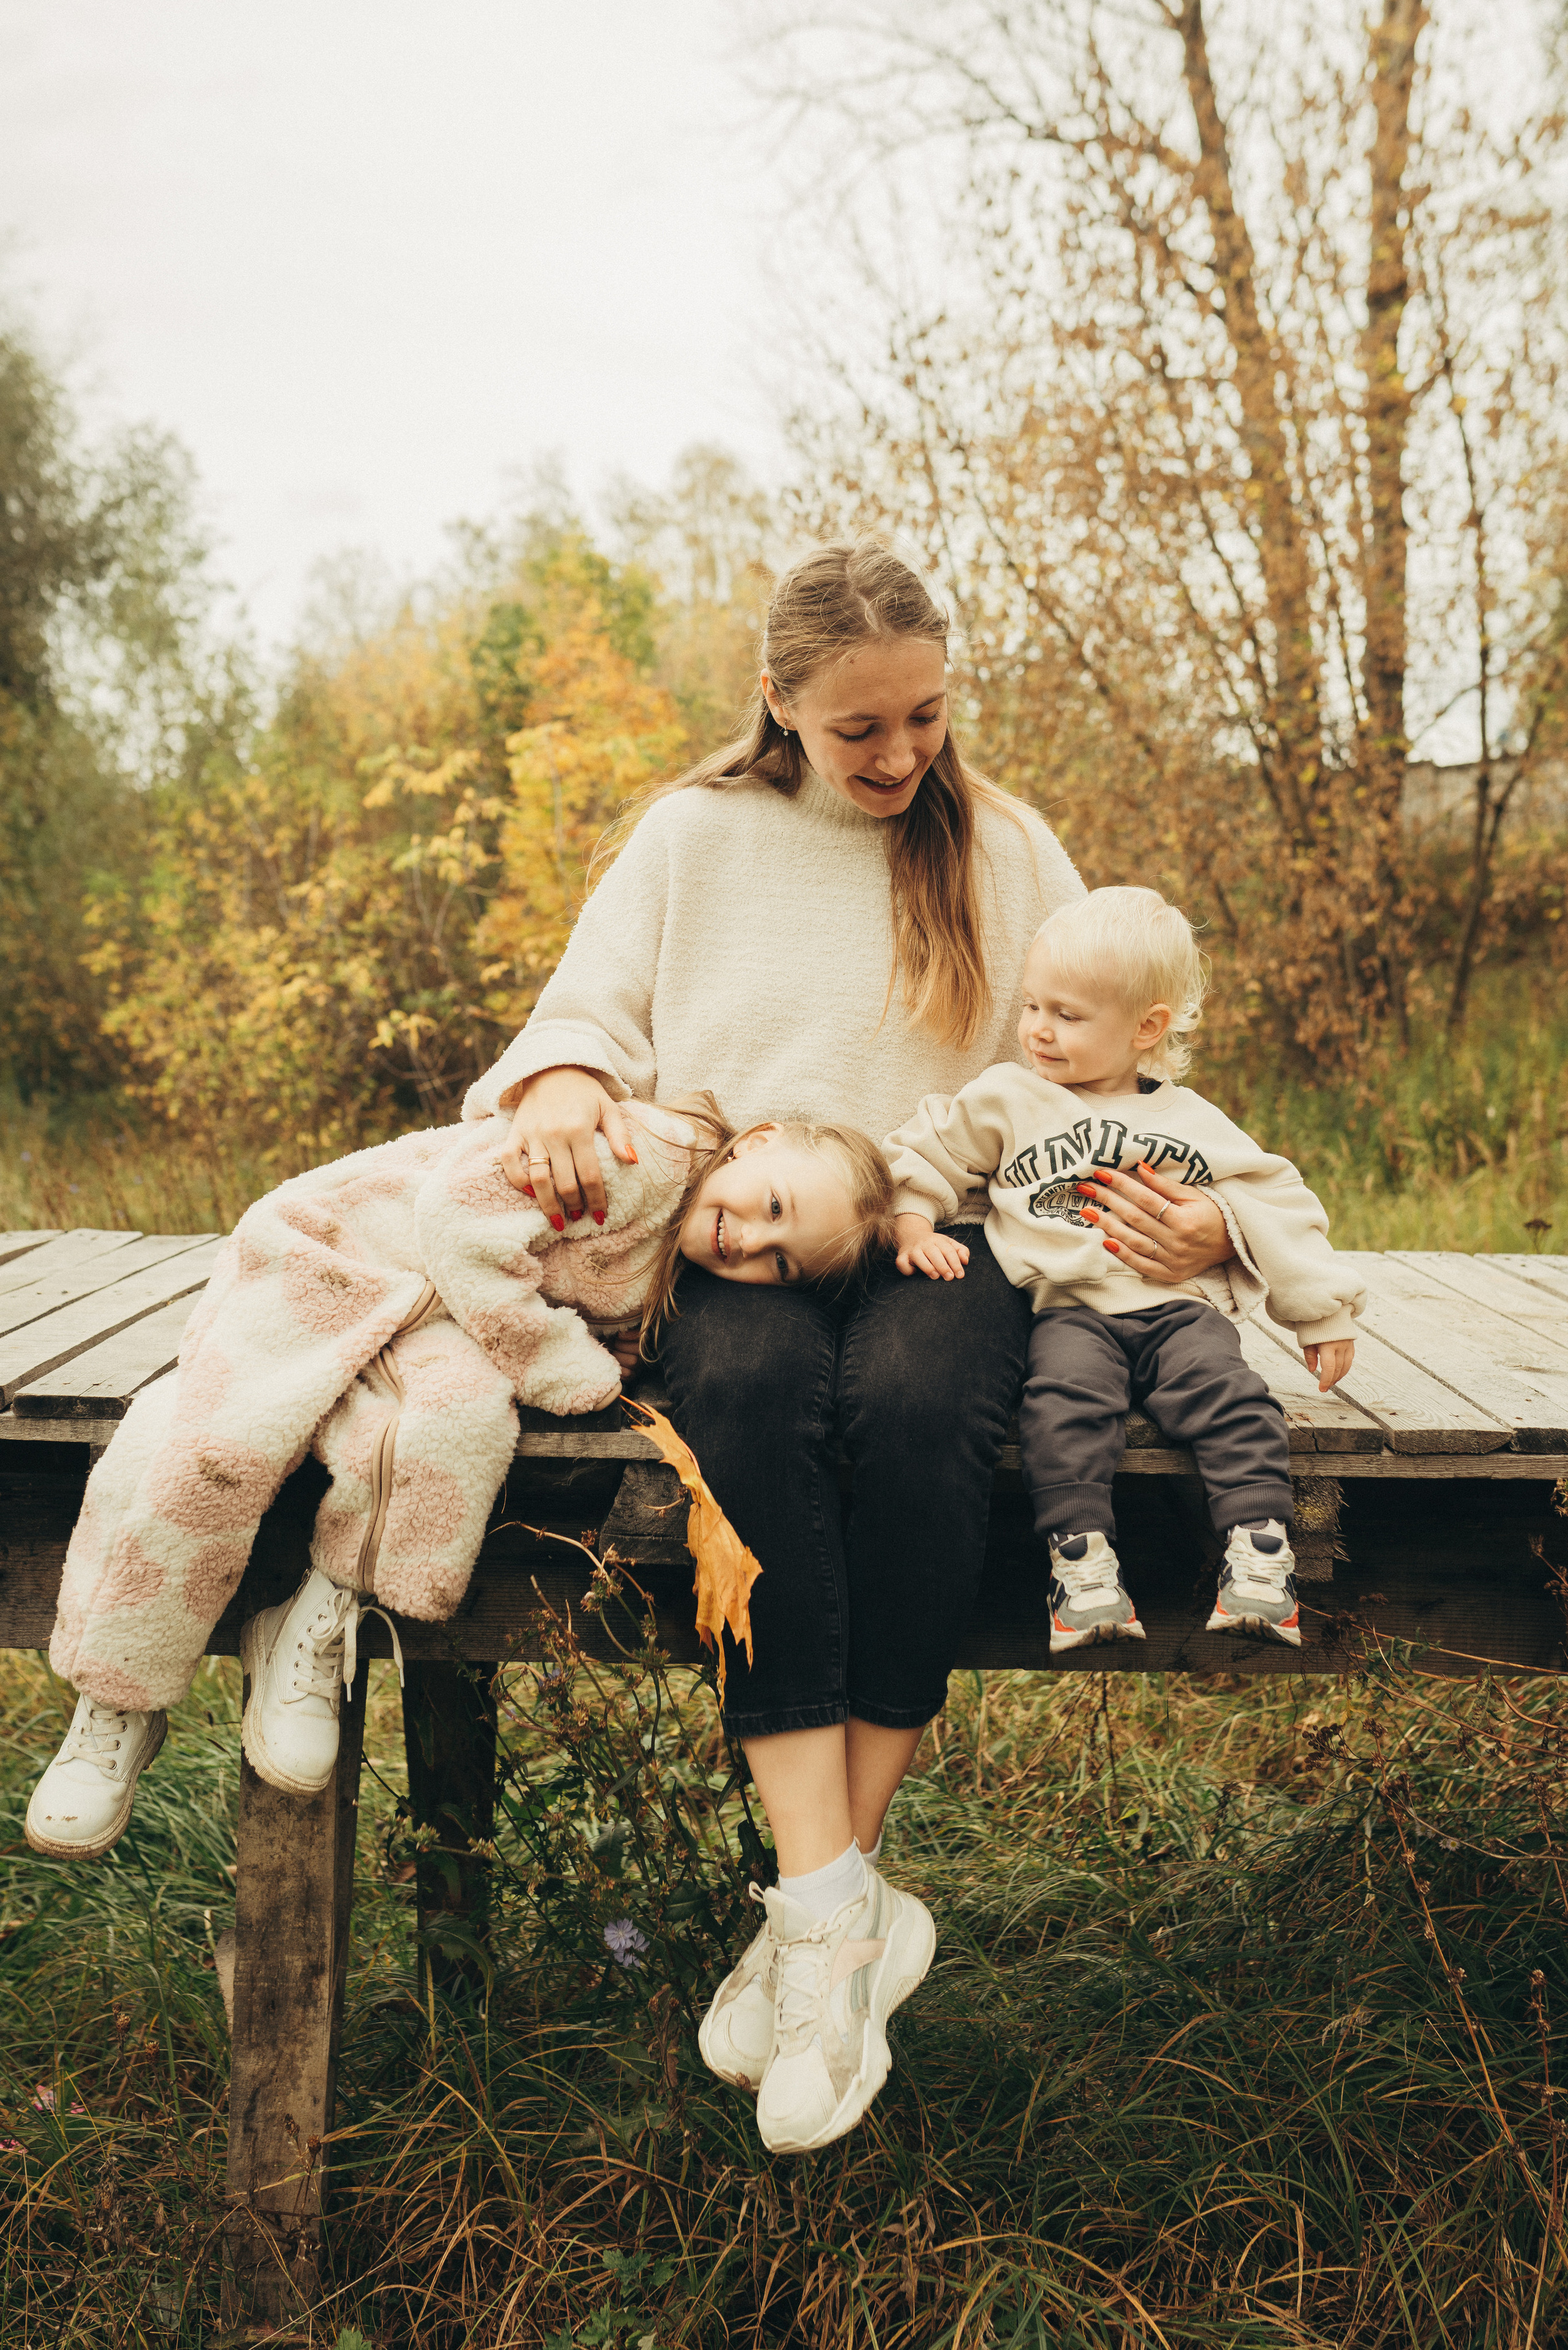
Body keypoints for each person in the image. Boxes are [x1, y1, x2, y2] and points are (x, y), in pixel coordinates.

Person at [473, 540, 1240, 2155]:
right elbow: (579, 1022)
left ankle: (819, 1912)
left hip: (939, 1221)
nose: (899, 758)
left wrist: (1190, 1210)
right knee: (748, 1398)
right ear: (781, 705)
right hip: (742, 1210)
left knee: (912, 1404)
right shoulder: (696, 834)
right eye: (858, 730)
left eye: (925, 718)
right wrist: (554, 1098)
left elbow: (1113, 1048)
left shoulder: (1009, 847)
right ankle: (840, 1909)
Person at [26, 1101, 891, 1862]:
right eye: (773, 1207)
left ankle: (322, 1610)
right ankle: (119, 1692)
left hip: (433, 1315)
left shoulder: (688, 1244)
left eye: (781, 1264)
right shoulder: (651, 1155)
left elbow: (569, 1281)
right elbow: (460, 1219)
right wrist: (558, 1359)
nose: (754, 1240)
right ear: (758, 1141)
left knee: (459, 1429)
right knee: (225, 1436)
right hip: (339, 1252)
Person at [885, 886, 1363, 1653]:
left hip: (1180, 1312)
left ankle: (1260, 1555)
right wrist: (910, 1219)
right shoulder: (1010, 1097)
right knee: (1062, 1408)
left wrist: (1319, 1309)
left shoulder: (1189, 1120)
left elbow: (1276, 1198)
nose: (1038, 1031)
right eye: (1033, 1007)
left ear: (1147, 1027)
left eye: (1067, 1016)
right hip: (1069, 1313)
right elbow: (925, 1149)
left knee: (1232, 1397)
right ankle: (1082, 1573)